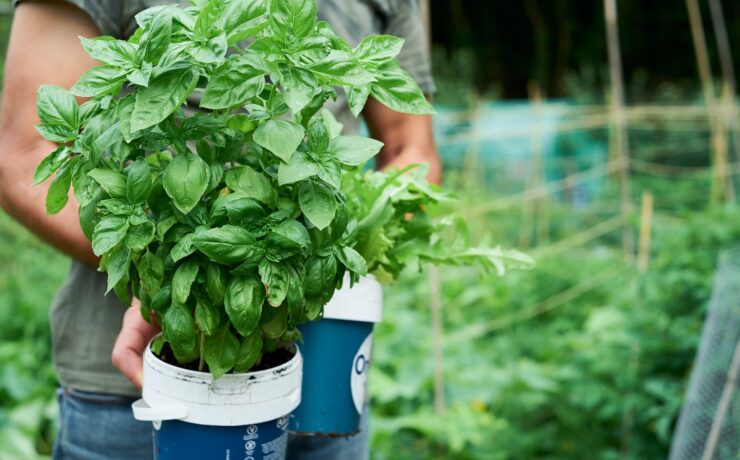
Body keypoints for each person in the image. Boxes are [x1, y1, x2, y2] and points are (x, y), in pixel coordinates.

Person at [0, 0, 440, 459]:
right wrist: (159, 277)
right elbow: (26, 155)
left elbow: (413, 149)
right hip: (137, 396)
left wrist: (321, 257)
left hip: (323, 374)